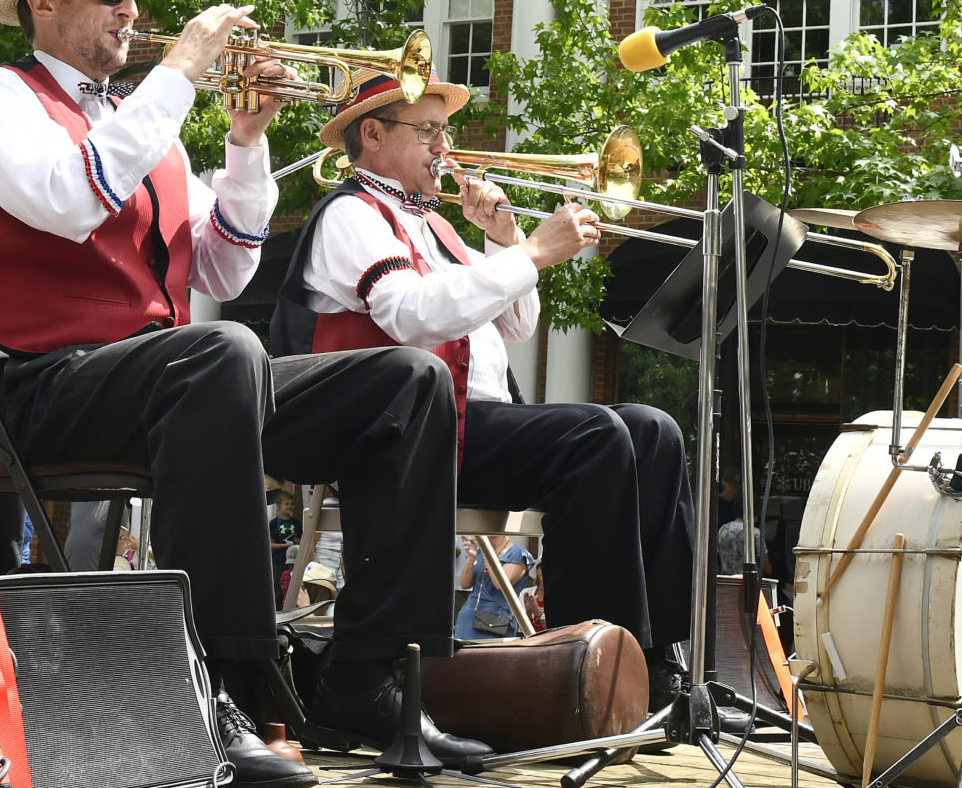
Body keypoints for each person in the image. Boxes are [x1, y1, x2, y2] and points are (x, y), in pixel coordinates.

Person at [0, 0, 482, 788]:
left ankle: (368, 676)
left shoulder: (138, 118)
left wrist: (246, 140)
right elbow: (70, 197)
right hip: (40, 383)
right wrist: (181, 71)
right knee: (219, 353)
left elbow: (226, 263)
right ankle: (218, 684)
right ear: (42, 4)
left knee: (406, 380)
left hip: (174, 380)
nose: (133, 9)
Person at [273, 71, 701, 701]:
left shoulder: (437, 228)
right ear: (372, 134)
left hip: (474, 427)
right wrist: (529, 254)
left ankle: (659, 660)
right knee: (597, 436)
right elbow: (411, 313)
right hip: (405, 439)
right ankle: (589, 675)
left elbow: (518, 325)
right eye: (428, 131)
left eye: (444, 130)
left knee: (654, 429)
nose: (443, 146)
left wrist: (503, 242)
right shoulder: (349, 215)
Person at [455, 535, 534, 641]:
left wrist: (486, 552)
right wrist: (472, 557)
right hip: (468, 617)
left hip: (496, 621)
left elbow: (500, 584)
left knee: (490, 656)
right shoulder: (481, 551)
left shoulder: (517, 553)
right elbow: (464, 584)